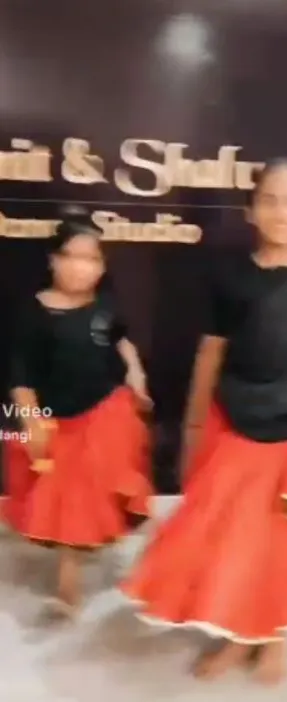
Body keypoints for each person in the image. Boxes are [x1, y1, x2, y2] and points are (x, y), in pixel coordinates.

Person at [120, 159, 287, 683]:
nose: (281, 211)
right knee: (231, 543)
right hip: (237, 425)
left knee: (281, 546)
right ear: (251, 211)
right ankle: (234, 637)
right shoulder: (230, 277)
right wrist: (194, 429)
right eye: (269, 199)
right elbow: (211, 354)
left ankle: (273, 639)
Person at [2, 206, 153, 617]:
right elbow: (20, 373)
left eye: (91, 259)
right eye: (71, 256)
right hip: (54, 418)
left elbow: (124, 342)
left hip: (106, 411)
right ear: (53, 259)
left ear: (102, 265)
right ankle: (69, 572)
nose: (81, 268)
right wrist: (29, 419)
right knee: (64, 496)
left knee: (90, 486)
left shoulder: (107, 306)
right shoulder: (33, 312)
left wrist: (136, 376)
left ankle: (78, 562)